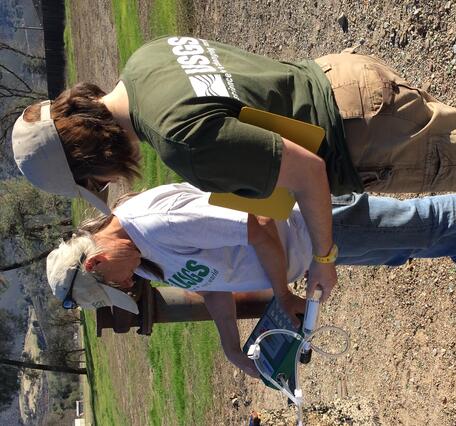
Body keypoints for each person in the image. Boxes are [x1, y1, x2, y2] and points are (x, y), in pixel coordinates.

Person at [13, 36, 456, 302]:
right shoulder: (144, 61)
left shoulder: (180, 140)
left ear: (90, 157)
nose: (109, 182)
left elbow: (305, 171)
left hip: (359, 133)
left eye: (94, 179)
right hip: (338, 80)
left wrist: (323, 259)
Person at [46, 183, 456, 377]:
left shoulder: (157, 226)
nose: (124, 286)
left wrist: (283, 294)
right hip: (312, 257)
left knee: (427, 225)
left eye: (112, 286)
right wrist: (233, 351)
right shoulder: (139, 260)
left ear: (97, 261)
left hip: (312, 229)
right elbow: (211, 285)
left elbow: (258, 223)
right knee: (412, 246)